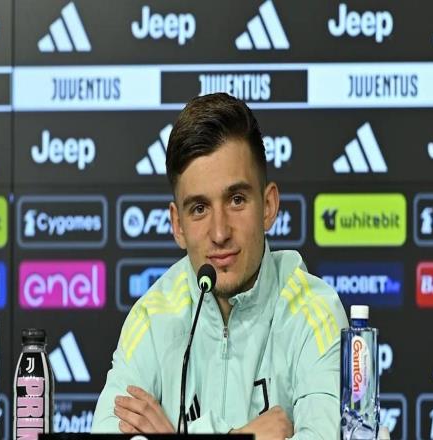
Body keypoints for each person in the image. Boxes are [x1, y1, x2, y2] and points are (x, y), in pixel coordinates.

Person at [92, 93, 348, 439]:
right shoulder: (153, 317)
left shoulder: (315, 312)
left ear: (268, 206)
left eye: (237, 200)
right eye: (199, 208)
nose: (219, 233)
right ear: (178, 225)